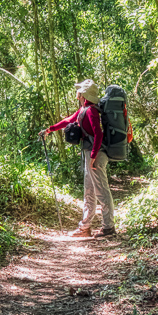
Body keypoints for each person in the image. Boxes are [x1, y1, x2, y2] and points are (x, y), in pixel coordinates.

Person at [41, 79, 116, 238]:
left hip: (95, 155)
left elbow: (98, 134)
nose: (77, 92)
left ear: (83, 94)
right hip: (90, 154)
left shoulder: (91, 111)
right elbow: (68, 120)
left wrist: (93, 156)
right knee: (89, 191)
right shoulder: (84, 109)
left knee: (101, 191)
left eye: (79, 90)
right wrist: (50, 130)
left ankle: (108, 228)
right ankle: (85, 227)